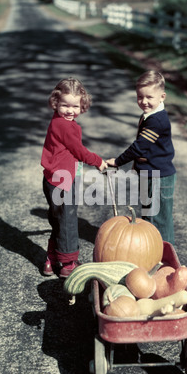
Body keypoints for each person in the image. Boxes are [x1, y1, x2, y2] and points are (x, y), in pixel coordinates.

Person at [41, 77, 107, 277]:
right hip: (63, 180)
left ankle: (51, 260)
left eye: (75, 106)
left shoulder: (57, 121)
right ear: (56, 103)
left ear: (82, 105)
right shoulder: (67, 127)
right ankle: (68, 263)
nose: (70, 111)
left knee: (58, 220)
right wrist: (98, 161)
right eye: (64, 106)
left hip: (52, 179)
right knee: (68, 221)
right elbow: (79, 151)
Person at [107, 70, 176, 245]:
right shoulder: (149, 115)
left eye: (149, 97)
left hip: (159, 176)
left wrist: (118, 161)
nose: (144, 101)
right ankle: (151, 253)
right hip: (149, 174)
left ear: (162, 96)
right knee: (148, 216)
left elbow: (139, 147)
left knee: (158, 220)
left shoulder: (157, 121)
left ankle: (167, 258)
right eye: (140, 97)